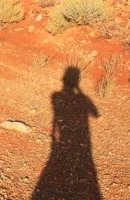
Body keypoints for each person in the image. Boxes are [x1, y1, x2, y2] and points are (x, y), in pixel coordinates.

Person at [31, 67, 101, 200]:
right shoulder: (81, 98)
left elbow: (56, 118)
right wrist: (80, 91)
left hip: (62, 138)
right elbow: (95, 113)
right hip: (81, 140)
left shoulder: (56, 96)